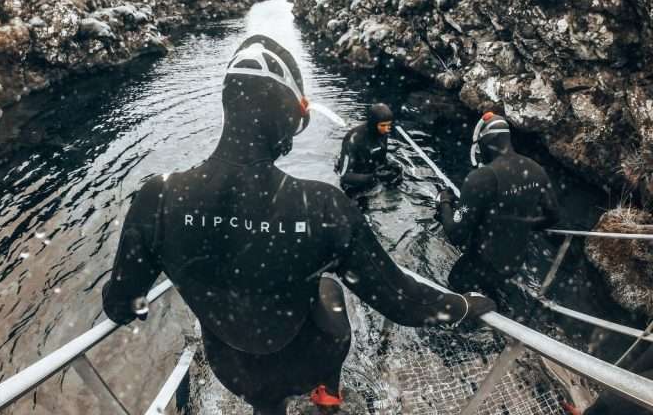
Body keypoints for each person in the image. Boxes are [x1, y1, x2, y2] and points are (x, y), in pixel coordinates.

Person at [103, 35, 496, 415]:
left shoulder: (157, 197)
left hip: (233, 372)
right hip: (307, 363)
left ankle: (267, 408)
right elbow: (406, 304)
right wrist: (468, 304)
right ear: (286, 113)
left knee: (261, 384)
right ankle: (328, 391)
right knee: (328, 285)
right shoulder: (322, 205)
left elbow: (120, 304)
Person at [436, 112, 560, 298]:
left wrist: (444, 202)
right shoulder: (536, 169)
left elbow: (456, 235)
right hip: (514, 263)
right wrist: (521, 223)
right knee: (491, 285)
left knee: (455, 286)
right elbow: (554, 216)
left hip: (482, 263)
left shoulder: (479, 178)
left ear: (486, 142)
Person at [335, 103, 403, 197]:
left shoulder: (383, 133)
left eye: (388, 125)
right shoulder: (354, 139)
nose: (387, 129)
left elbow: (381, 159)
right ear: (373, 124)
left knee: (396, 180)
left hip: (371, 172)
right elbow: (344, 177)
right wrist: (373, 177)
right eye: (383, 125)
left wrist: (390, 169)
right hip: (355, 179)